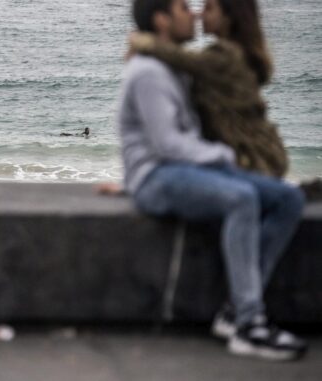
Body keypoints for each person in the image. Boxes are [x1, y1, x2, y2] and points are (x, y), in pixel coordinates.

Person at [118, 0, 306, 360]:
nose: (195, 14)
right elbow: (167, 144)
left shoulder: (177, 67)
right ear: (162, 20)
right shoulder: (149, 72)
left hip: (184, 169)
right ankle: (249, 324)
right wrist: (224, 159)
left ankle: (236, 310)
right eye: (184, 9)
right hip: (157, 176)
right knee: (241, 198)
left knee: (288, 200)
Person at [128, 0, 287, 178]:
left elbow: (183, 58)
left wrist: (144, 42)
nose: (199, 13)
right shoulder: (236, 53)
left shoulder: (226, 56)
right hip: (260, 154)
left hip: (255, 159)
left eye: (208, 8)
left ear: (227, 17)